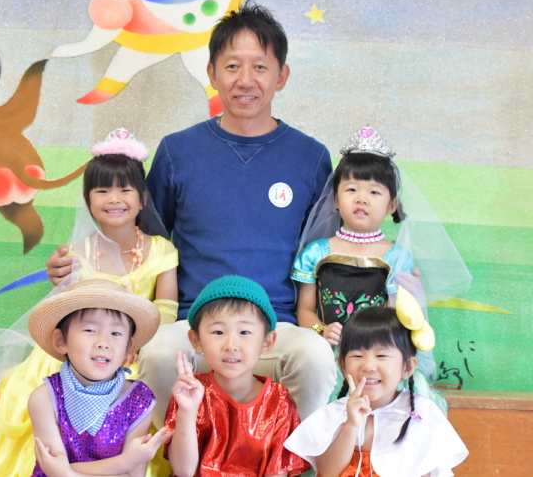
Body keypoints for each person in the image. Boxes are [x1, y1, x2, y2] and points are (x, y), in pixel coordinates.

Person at [46, 2, 336, 423]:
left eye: (259, 67)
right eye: (232, 66)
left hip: (277, 326)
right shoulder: (177, 151)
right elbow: (140, 239)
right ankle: (173, 455)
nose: (245, 80)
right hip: (192, 324)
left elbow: (327, 252)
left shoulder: (310, 157)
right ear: (212, 73)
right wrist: (78, 265)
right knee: (159, 353)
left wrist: (387, 272)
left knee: (316, 357)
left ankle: (293, 457)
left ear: (281, 76)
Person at [0, 128, 178, 477]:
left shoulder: (162, 250)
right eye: (102, 190)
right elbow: (69, 311)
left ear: (143, 198)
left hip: (131, 346)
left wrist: (138, 345)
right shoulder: (77, 252)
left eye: (125, 189)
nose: (114, 199)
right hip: (82, 347)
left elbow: (166, 308)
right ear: (88, 199)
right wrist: (61, 285)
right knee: (33, 386)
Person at [291, 125, 470, 409]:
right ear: (335, 199)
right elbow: (304, 309)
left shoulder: (396, 256)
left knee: (415, 394)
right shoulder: (316, 253)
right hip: (331, 353)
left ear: (392, 205)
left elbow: (393, 313)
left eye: (374, 192)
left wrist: (372, 348)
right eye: (351, 189)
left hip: (377, 355)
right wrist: (321, 330)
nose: (361, 198)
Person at [284, 306, 468, 477]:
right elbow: (327, 473)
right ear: (342, 365)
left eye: (381, 355)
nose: (368, 366)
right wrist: (350, 426)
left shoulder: (422, 412)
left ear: (408, 367)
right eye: (357, 356)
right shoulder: (335, 412)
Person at [163, 275, 311, 477]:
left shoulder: (279, 400)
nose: (231, 345)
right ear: (196, 340)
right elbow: (183, 471)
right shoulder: (189, 392)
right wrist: (187, 412)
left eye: (245, 332)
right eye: (218, 332)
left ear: (267, 342)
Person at [27, 279, 171, 477]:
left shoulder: (139, 400)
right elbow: (53, 470)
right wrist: (126, 461)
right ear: (61, 341)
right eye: (90, 330)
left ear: (128, 347)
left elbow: (132, 476)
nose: (103, 342)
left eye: (116, 333)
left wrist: (68, 473)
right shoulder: (44, 398)